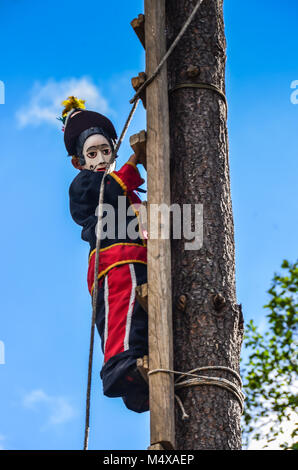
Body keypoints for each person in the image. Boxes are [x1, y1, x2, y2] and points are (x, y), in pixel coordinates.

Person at [61, 96, 149, 413]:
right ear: (79, 161)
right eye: (92, 153)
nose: (99, 158)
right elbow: (108, 190)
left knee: (142, 317)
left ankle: (138, 381)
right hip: (113, 262)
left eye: (105, 151)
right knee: (120, 312)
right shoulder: (86, 185)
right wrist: (134, 162)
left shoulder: (127, 192)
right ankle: (121, 368)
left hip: (140, 260)